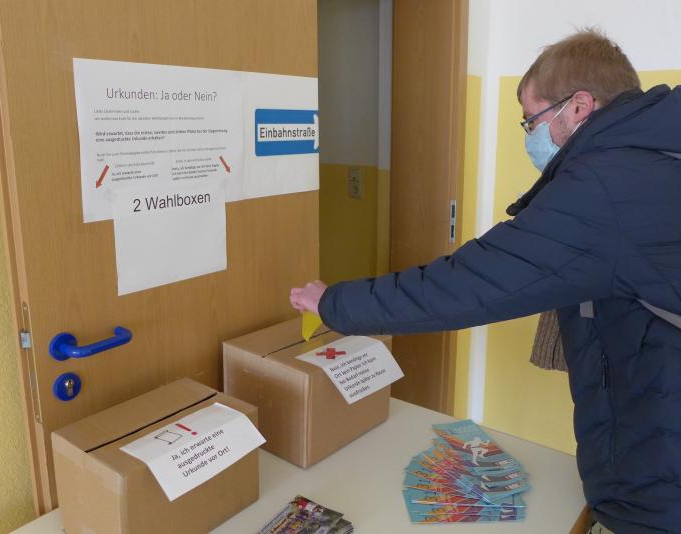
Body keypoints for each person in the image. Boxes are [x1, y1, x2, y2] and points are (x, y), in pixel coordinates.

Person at [290, 29, 681, 534]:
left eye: (531, 120)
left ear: (579, 107)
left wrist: (335, 303)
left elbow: (467, 284)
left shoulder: (606, 186)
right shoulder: (657, 152)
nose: (529, 135)